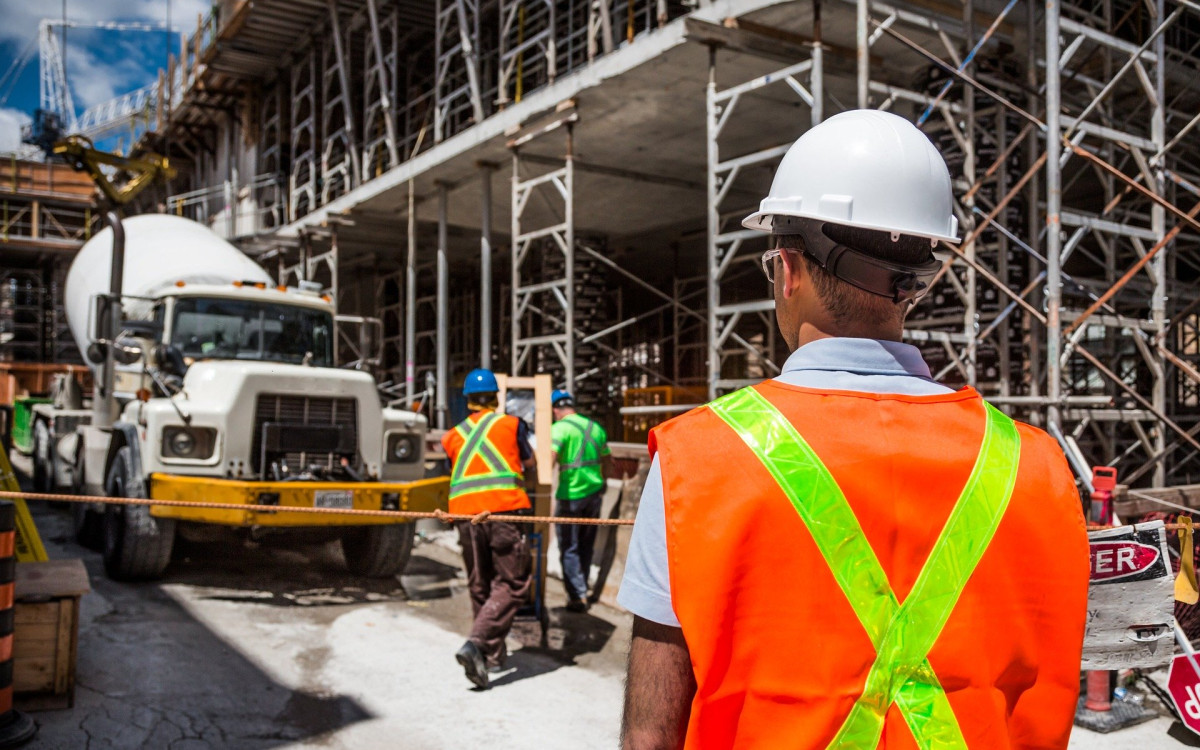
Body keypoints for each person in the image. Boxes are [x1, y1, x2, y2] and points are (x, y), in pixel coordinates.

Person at [617, 110, 1089, 749]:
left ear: (787, 269)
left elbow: (651, 734)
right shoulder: (1033, 465)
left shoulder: (695, 460)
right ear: (916, 284)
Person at [442, 368, 536, 690]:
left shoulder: (452, 436)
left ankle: (490, 657)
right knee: (514, 583)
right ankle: (477, 644)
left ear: (468, 400)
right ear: (496, 398)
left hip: (465, 517)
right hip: (502, 512)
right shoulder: (511, 425)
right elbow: (530, 463)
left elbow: (456, 471)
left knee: (480, 583)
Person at [549, 389, 612, 612]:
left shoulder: (559, 428)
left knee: (569, 547)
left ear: (555, 410)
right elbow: (608, 460)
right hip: (594, 495)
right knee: (586, 544)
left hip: (570, 496)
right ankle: (582, 588)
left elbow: (550, 458)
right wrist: (603, 482)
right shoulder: (595, 428)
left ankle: (577, 596)